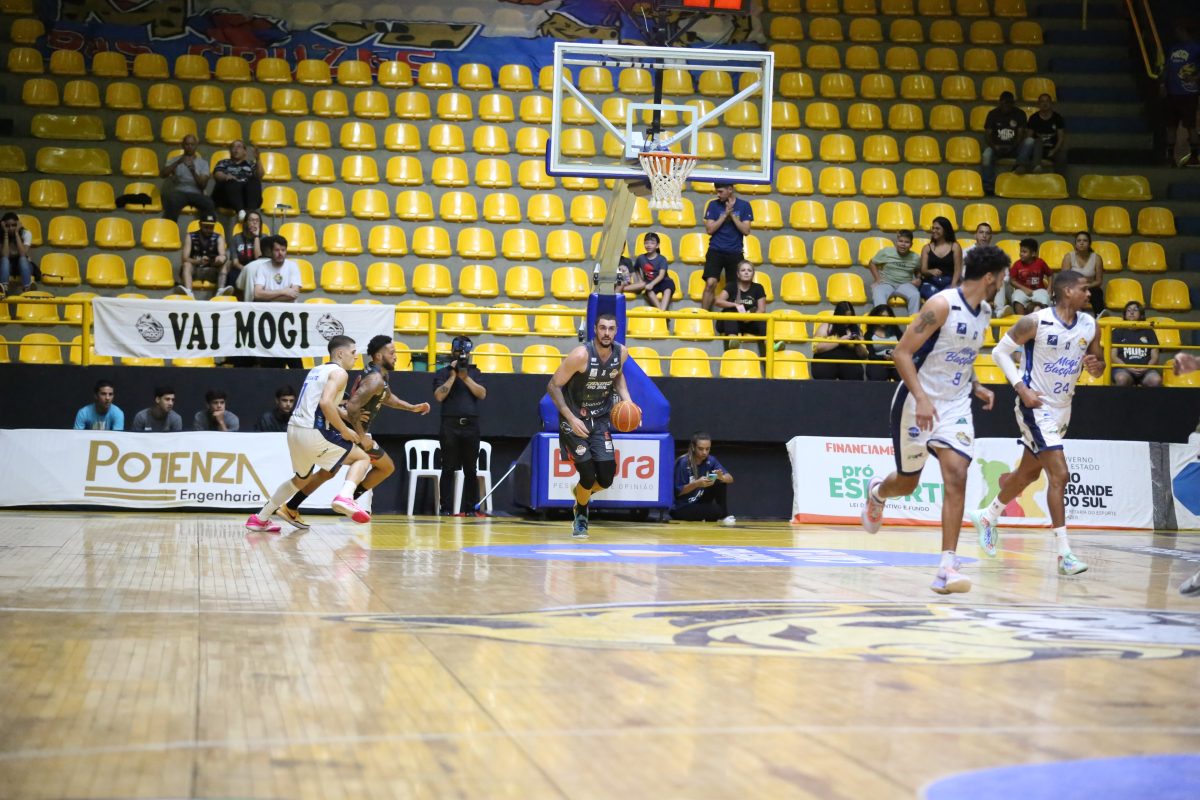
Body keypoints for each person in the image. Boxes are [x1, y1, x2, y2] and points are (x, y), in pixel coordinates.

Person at [861, 245, 1009, 594]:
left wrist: (976, 384)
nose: (1003, 283)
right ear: (990, 277)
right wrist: (923, 398)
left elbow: (962, 355)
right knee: (907, 483)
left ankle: (947, 566)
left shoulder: (985, 311)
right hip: (917, 400)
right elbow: (902, 353)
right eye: (1002, 277)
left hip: (955, 405)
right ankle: (878, 493)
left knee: (957, 474)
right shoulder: (941, 305)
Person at [971, 270, 1105, 576]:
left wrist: (1096, 366)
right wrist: (1021, 388)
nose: (1089, 293)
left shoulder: (1090, 325)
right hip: (1035, 406)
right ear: (1067, 291)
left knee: (1029, 473)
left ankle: (988, 515)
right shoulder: (1035, 322)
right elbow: (1000, 352)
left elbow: (1099, 366)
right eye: (1084, 289)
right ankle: (1064, 555)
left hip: (1063, 408)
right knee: (1060, 475)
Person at [277, 335, 431, 527]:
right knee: (386, 467)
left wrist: (412, 407)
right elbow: (351, 407)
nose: (396, 356)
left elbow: (387, 397)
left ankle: (292, 506)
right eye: (392, 353)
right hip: (352, 432)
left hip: (349, 430)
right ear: (378, 356)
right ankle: (347, 499)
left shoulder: (380, 375)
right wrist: (361, 436)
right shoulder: (375, 379)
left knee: (327, 473)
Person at [245, 335, 372, 532]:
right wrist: (344, 430)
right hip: (313, 431)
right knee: (362, 458)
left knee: (301, 479)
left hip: (294, 430)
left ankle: (260, 518)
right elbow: (326, 403)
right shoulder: (340, 373)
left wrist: (345, 415)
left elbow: (321, 401)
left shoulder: (317, 370)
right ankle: (345, 497)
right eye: (353, 352)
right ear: (340, 353)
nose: (356, 356)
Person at [548, 313, 634, 539]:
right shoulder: (580, 355)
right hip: (575, 420)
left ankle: (580, 495)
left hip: (601, 419)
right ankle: (581, 514)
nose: (607, 333)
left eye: (611, 328)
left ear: (616, 331)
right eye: (602, 328)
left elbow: (617, 376)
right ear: (595, 329)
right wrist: (570, 418)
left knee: (606, 479)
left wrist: (628, 402)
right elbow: (553, 386)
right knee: (587, 475)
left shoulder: (621, 353)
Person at [433, 335, 487, 516]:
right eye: (457, 352)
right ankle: (446, 508)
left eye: (464, 353)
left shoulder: (475, 372)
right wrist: (452, 377)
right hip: (450, 424)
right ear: (451, 352)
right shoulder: (443, 373)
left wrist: (465, 378)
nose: (461, 356)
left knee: (471, 469)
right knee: (448, 467)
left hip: (471, 425)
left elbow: (482, 394)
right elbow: (439, 396)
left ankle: (470, 508)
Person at [243, 234, 303, 369]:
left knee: (295, 364)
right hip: (268, 322)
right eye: (277, 250)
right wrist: (283, 291)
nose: (280, 253)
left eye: (283, 250)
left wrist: (268, 296)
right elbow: (257, 294)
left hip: (288, 322)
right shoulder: (263, 267)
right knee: (271, 364)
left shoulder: (292, 266)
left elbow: (293, 295)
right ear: (270, 251)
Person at [700, 182, 753, 311]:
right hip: (715, 250)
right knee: (710, 283)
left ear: (730, 189)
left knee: (734, 288)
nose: (718, 195)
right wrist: (724, 215)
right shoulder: (713, 205)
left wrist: (732, 215)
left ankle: (730, 318)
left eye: (720, 192)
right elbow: (710, 230)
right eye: (717, 192)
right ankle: (703, 317)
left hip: (735, 252)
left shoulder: (744, 205)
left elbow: (746, 231)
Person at [669, 432, 735, 524]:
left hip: (698, 500)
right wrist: (696, 484)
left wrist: (722, 477)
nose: (704, 452)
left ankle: (724, 516)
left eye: (707, 449)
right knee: (715, 511)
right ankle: (713, 515)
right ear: (693, 447)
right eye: (700, 449)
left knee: (720, 481)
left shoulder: (711, 460)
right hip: (681, 507)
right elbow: (678, 493)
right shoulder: (683, 463)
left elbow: (730, 478)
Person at [1161, 19, 1200, 166]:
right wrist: (1163, 84)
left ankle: (1194, 156)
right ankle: (1170, 157)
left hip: (1188, 93)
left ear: (1184, 30)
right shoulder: (1173, 48)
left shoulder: (1196, 48)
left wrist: (1195, 77)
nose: (1176, 32)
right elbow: (1167, 67)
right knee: (1171, 126)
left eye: (1178, 29)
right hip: (1172, 92)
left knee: (1190, 126)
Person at [981, 91, 1034, 193]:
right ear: (1000, 102)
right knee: (986, 154)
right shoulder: (992, 114)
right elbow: (987, 135)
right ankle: (988, 185)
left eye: (1010, 103)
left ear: (1013, 103)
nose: (1007, 106)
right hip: (997, 147)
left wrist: (1013, 146)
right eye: (1005, 103)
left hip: (1015, 147)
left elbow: (1020, 134)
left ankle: (1018, 166)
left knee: (1030, 141)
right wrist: (994, 147)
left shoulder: (1020, 114)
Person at [714, 260, 767, 356]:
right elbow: (718, 301)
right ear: (738, 274)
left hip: (749, 321)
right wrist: (735, 305)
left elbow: (761, 309)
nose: (746, 272)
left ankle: (771, 345)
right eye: (743, 270)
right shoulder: (731, 286)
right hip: (730, 322)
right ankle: (733, 341)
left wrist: (750, 318)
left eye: (749, 270)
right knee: (729, 314)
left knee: (764, 320)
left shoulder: (758, 288)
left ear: (753, 274)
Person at [160, 133, 215, 223]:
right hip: (179, 192)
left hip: (197, 193)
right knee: (171, 202)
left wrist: (193, 171)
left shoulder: (203, 163)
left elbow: (203, 185)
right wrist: (177, 163)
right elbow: (162, 175)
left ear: (196, 146)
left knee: (209, 203)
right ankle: (171, 228)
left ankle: (207, 229)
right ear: (182, 145)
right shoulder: (175, 160)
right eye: (187, 144)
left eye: (192, 144)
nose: (189, 147)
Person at [868, 229, 921, 316]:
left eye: (907, 242)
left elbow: (917, 270)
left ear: (911, 244)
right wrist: (877, 279)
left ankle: (913, 320)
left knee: (915, 294)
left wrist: (918, 278)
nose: (903, 244)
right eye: (901, 241)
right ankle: (882, 320)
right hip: (886, 283)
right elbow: (872, 263)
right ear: (896, 242)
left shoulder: (915, 257)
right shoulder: (886, 252)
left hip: (905, 284)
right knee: (878, 292)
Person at [811, 300, 867, 380]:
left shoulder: (855, 330)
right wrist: (839, 341)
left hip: (849, 361)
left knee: (855, 372)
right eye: (844, 317)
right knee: (823, 370)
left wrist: (857, 343)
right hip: (826, 360)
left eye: (850, 317)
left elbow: (864, 355)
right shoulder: (827, 326)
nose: (847, 320)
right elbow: (816, 348)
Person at [1111, 300, 1162, 387]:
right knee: (1121, 378)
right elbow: (1113, 356)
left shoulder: (1149, 331)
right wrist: (1128, 368)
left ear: (1141, 314)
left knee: (1156, 380)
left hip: (1146, 370)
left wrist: (1146, 368)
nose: (1131, 312)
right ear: (1125, 314)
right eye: (1129, 310)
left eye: (1135, 310)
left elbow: (1155, 356)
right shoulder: (1117, 331)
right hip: (1123, 369)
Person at [178, 212, 228, 298]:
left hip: (211, 269)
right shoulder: (190, 236)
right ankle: (189, 292)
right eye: (206, 227)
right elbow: (184, 258)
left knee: (225, 264)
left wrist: (219, 259)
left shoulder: (219, 237)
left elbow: (223, 255)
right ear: (200, 224)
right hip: (195, 270)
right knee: (186, 265)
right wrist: (199, 261)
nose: (208, 229)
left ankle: (220, 291)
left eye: (211, 227)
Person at [211, 139, 264, 221]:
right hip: (227, 196)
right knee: (231, 182)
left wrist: (258, 159)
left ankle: (250, 212)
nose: (236, 149)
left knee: (254, 181)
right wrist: (226, 176)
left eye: (239, 147)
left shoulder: (250, 164)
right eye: (233, 147)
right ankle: (241, 212)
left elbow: (260, 175)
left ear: (244, 151)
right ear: (230, 151)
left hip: (245, 196)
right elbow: (217, 174)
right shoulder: (224, 162)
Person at [963, 222, 1007, 314]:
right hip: (973, 284)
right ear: (975, 235)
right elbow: (961, 273)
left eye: (987, 233)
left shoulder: (996, 253)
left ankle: (999, 311)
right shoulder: (966, 252)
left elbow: (1006, 275)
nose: (984, 236)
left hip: (990, 286)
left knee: (1000, 278)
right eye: (981, 232)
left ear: (991, 236)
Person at [624, 232, 675, 311]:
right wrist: (640, 279)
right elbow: (636, 269)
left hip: (664, 281)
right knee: (649, 292)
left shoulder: (662, 259)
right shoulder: (641, 258)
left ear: (657, 245)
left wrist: (651, 284)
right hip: (650, 283)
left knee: (667, 290)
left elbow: (661, 275)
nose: (649, 245)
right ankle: (662, 313)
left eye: (652, 243)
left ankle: (662, 312)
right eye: (646, 243)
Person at [1058, 231, 1105, 315]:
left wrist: (1084, 287)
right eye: (1079, 241)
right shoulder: (1069, 257)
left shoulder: (1096, 258)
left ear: (1089, 243)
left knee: (1097, 292)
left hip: (1089, 287)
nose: (1081, 243)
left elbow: (1099, 281)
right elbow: (1064, 278)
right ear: (1075, 244)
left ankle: (1099, 317)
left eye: (1085, 240)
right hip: (1072, 287)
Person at [918, 216, 963, 301]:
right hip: (930, 282)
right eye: (933, 228)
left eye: (937, 228)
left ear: (945, 230)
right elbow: (923, 270)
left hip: (949, 282)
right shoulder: (927, 248)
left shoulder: (955, 246)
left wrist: (953, 285)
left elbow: (957, 270)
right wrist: (930, 271)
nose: (934, 231)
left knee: (947, 297)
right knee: (934, 296)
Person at [1025, 93, 1067, 174]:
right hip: (1037, 148)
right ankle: (1036, 170)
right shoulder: (1033, 118)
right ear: (1039, 104)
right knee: (1036, 144)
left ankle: (1059, 179)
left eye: (1047, 101)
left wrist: (1054, 150)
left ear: (1051, 103)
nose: (1045, 104)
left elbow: (1061, 138)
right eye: (1042, 101)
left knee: (1062, 156)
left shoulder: (1058, 118)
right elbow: (1029, 137)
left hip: (1052, 149)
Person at [1010, 238, 1052, 315]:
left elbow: (1050, 275)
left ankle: (1041, 319)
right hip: (1022, 290)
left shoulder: (1040, 262)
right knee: (1016, 298)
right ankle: (1022, 319)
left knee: (1045, 298)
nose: (1021, 254)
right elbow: (1012, 280)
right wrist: (1024, 289)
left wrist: (1049, 289)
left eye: (1024, 252)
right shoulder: (1017, 264)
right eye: (1021, 251)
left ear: (1033, 254)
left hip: (1039, 290)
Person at [227, 209, 264, 295]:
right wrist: (247, 270)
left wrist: (256, 237)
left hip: (258, 271)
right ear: (246, 223)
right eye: (251, 220)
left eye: (257, 220)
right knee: (232, 275)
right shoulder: (236, 238)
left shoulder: (264, 238)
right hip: (240, 268)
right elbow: (235, 263)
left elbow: (259, 259)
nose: (254, 222)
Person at [0, 211, 35, 298]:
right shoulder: (1, 235)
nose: (11, 228)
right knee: (4, 260)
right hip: (6, 268)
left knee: (22, 259)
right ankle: (3, 288)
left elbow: (23, 253)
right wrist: (5, 234)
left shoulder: (26, 233)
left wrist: (16, 233)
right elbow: (5, 255)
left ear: (18, 225)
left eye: (13, 225)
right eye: (7, 226)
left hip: (24, 267)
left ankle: (27, 288)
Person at [864, 304, 902, 381]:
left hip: (896, 362)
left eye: (887, 317)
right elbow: (871, 355)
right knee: (877, 375)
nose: (884, 319)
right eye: (881, 316)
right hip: (878, 363)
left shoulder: (896, 331)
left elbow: (904, 348)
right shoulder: (869, 334)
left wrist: (895, 355)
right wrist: (883, 357)